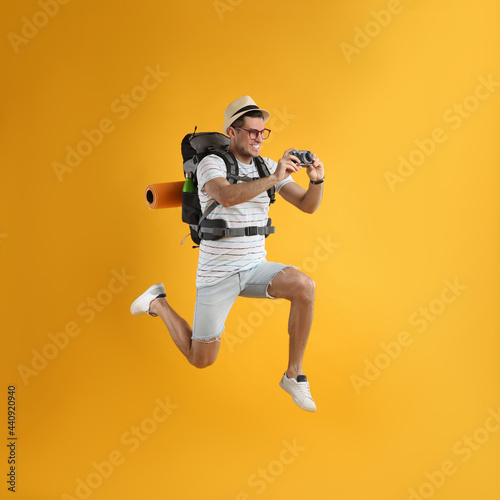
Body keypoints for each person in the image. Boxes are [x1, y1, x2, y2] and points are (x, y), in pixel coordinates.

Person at [130, 96, 324, 411]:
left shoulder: (266, 165)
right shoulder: (213, 163)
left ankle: (294, 375)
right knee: (200, 359)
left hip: (254, 267)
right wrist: (275, 179)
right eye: (252, 132)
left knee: (305, 286)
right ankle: (157, 302)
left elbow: (307, 205)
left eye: (264, 133)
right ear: (232, 133)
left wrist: (317, 180)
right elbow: (224, 195)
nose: (259, 139)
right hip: (217, 274)